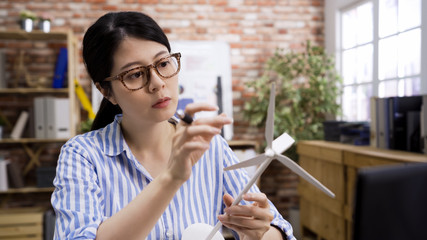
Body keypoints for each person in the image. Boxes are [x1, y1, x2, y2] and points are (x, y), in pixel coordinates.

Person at [51, 11, 296, 240]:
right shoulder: (82, 155)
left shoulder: (211, 147)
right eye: (135, 74)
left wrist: (261, 231)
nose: (157, 83)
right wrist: (172, 177)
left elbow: (279, 229)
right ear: (106, 91)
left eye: (163, 64)